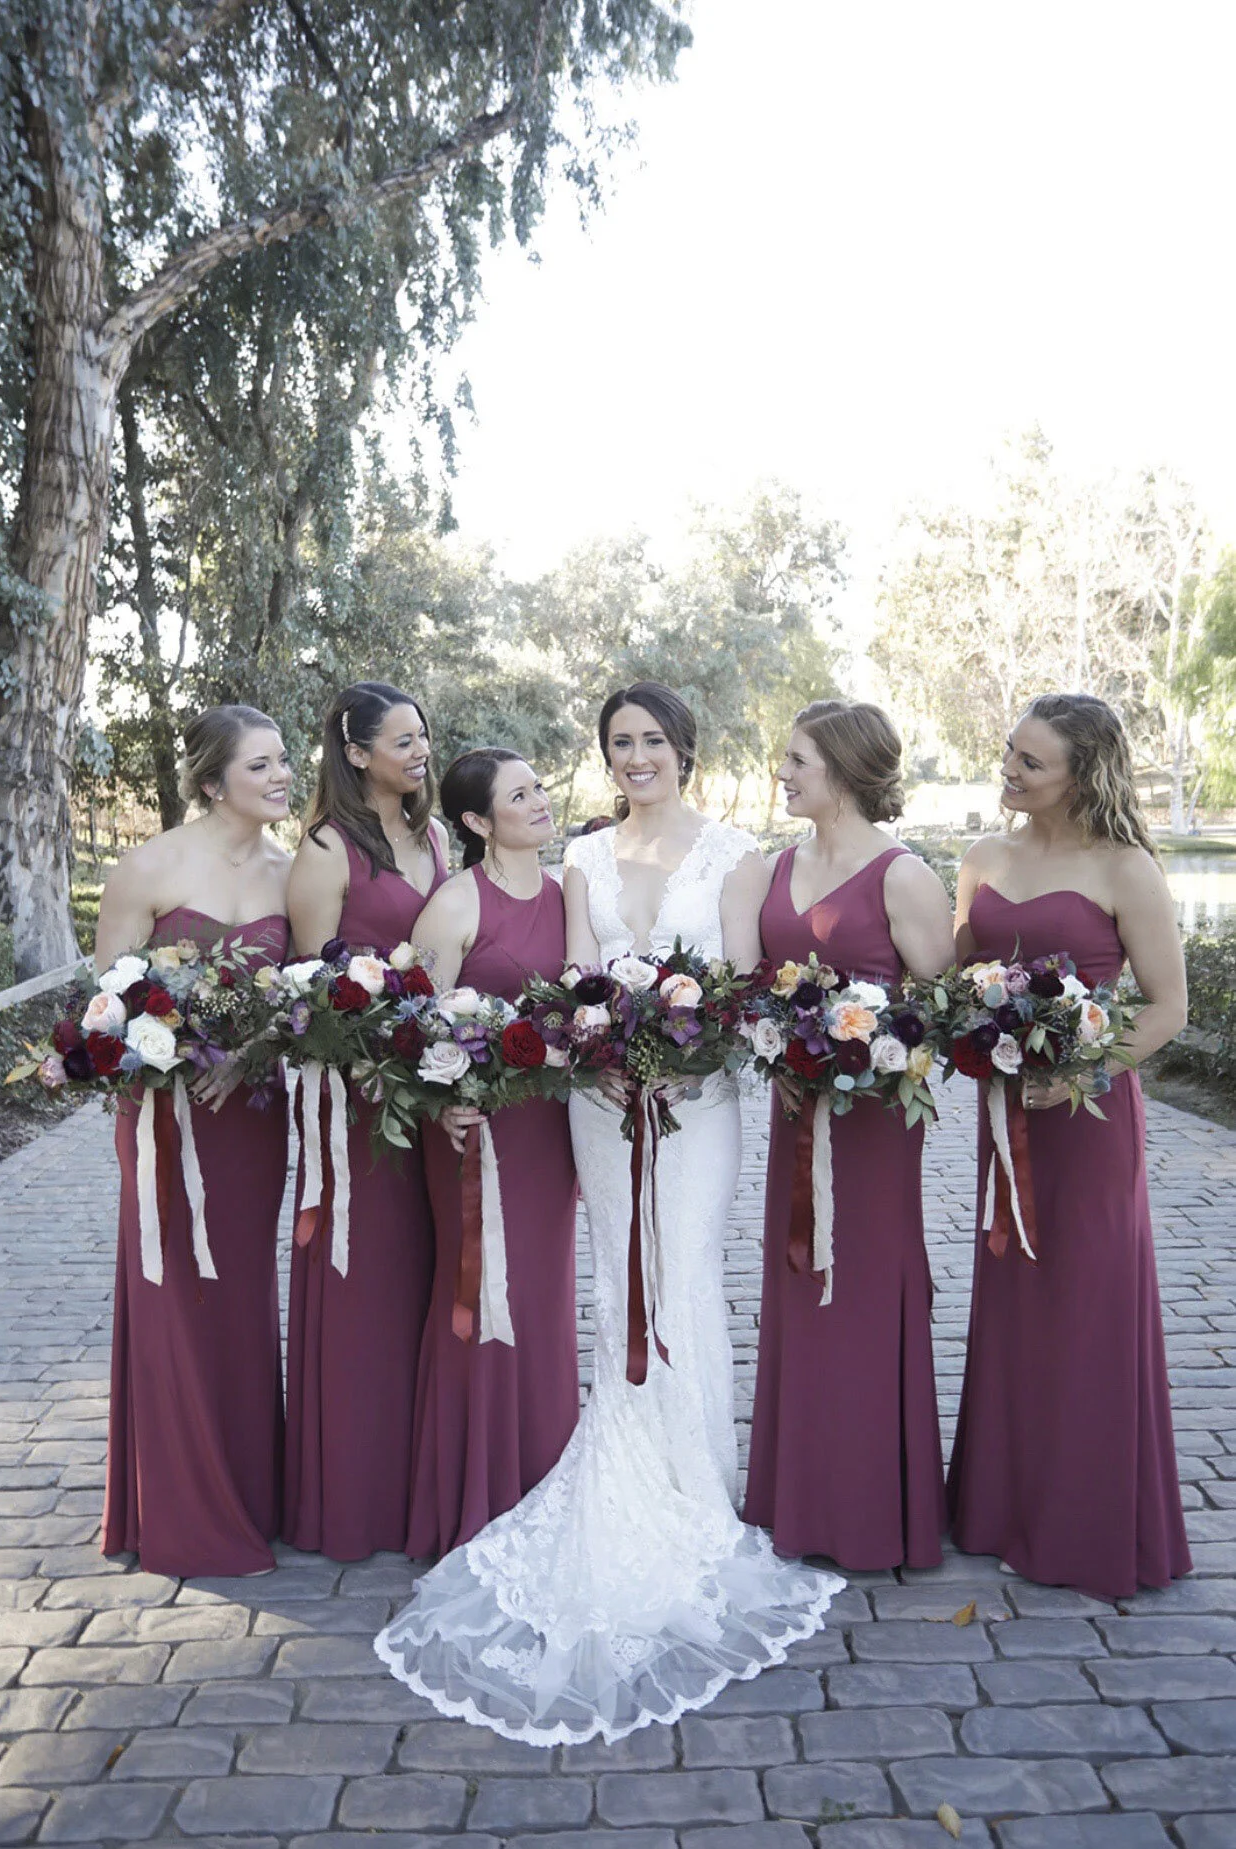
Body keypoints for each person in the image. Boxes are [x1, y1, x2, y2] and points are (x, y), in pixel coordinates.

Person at [375, 681, 842, 1744]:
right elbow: (576, 981)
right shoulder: (582, 856)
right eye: (620, 741)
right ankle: (621, 1454)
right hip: (598, 1099)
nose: (637, 756)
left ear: (684, 748)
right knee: (611, 1275)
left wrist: (691, 1054)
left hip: (699, 1102)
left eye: (653, 739)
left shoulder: (738, 855)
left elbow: (743, 983)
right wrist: (605, 1052)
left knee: (683, 1274)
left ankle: (696, 1487)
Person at [947, 692, 1192, 1601]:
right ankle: (1000, 1507)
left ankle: (1083, 1520)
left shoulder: (1126, 868)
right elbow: (956, 980)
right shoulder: (982, 857)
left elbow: (1169, 1007)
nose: (1009, 769)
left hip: (1087, 1122)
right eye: (1010, 750)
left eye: (1031, 761)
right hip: (1007, 1113)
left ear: (1081, 776)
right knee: (1015, 1295)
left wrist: (1084, 1071)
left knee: (1086, 1305)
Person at [743, 700, 954, 1569]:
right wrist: (781, 1044)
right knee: (799, 1278)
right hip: (795, 1106)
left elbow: (942, 1005)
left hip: (873, 1123)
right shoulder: (776, 865)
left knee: (864, 1284)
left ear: (846, 768)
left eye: (798, 760)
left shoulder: (903, 876)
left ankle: (872, 1504)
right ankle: (800, 1494)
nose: (783, 774)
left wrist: (863, 1046)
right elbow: (758, 985)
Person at [100, 705, 292, 1577]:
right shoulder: (147, 866)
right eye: (261, 765)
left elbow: (302, 1002)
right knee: (172, 1291)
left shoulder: (291, 873)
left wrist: (250, 1052)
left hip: (250, 1116)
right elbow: (106, 1007)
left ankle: (249, 1490)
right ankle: (181, 1504)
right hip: (165, 1119)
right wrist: (168, 1058)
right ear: (214, 782)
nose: (281, 776)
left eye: (283, 760)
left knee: (241, 1296)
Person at [283, 681, 448, 1560]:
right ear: (355, 753)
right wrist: (371, 1060)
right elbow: (308, 989)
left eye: (423, 737)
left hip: (436, 1087)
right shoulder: (323, 849)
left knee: (426, 1273)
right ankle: (354, 1493)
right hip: (358, 1097)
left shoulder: (435, 836)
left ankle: (421, 1482)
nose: (420, 752)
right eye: (401, 740)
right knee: (365, 1280)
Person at [406, 748, 579, 1557]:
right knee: (477, 1288)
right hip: (473, 1128)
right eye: (520, 795)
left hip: (549, 1128)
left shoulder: (567, 894)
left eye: (539, 787)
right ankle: (473, 1491)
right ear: (477, 821)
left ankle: (544, 1476)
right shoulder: (454, 904)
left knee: (543, 1294)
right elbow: (411, 1025)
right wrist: (442, 1100)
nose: (540, 801)